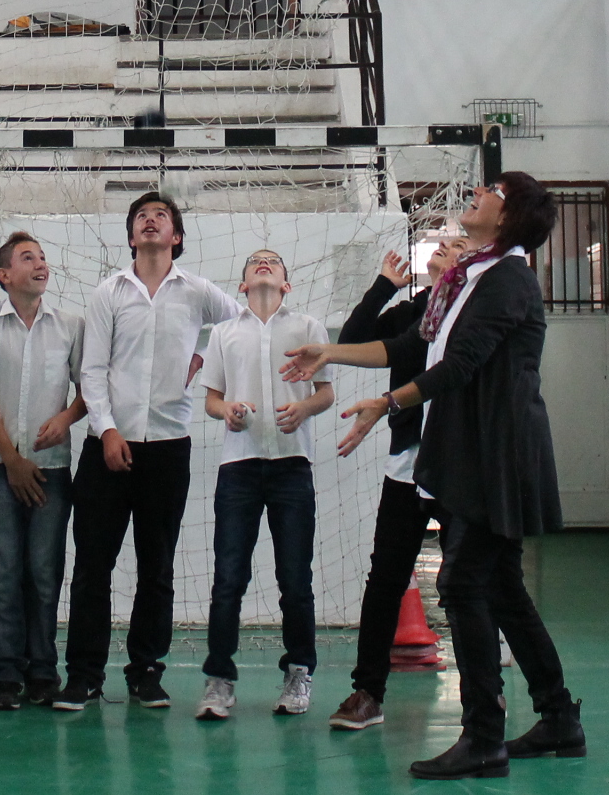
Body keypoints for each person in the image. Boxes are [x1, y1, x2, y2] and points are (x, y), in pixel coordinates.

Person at [283, 174, 581, 780]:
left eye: (492, 191)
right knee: (502, 588)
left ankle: (484, 737)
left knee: (463, 583)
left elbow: (460, 364)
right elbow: (408, 348)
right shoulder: (471, 279)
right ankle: (557, 716)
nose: (477, 194)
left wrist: (387, 403)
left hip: (495, 456)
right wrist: (333, 352)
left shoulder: (507, 279)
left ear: (508, 217)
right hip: (469, 454)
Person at [56, 191, 242, 711]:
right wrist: (107, 430)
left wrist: (204, 355)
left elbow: (241, 325)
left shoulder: (197, 291)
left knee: (156, 568)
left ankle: (145, 673)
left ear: (176, 236)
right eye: (142, 216)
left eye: (161, 216)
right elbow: (92, 370)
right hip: (106, 448)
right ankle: (84, 676)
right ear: (132, 235)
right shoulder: (109, 292)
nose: (151, 221)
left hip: (167, 449)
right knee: (92, 567)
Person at [327, 234, 480, 732]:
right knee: (385, 579)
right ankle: (367, 693)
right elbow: (352, 341)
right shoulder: (415, 310)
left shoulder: (476, 310)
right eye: (442, 242)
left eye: (457, 244)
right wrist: (382, 287)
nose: (444, 245)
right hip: (407, 466)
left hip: (458, 466)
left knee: (469, 580)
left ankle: (484, 696)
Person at [196, 248, 334, 721]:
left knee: (295, 578)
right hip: (238, 468)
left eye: (272, 261)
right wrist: (228, 411)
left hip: (292, 466)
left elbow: (325, 393)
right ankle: (219, 679)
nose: (263, 263)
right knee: (228, 578)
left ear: (286, 283)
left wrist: (304, 408)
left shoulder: (309, 328)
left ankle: (299, 672)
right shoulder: (224, 333)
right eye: (255, 261)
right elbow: (212, 400)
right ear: (242, 284)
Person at [0, 231, 86, 709]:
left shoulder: (71, 325)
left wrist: (65, 419)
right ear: (4, 275)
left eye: (43, 256)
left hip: (52, 469)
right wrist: (11, 460)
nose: (40, 264)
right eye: (28, 257)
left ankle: (43, 672)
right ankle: (6, 673)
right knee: (0, 570)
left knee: (44, 571)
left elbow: (88, 390)